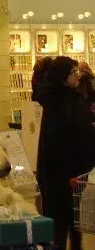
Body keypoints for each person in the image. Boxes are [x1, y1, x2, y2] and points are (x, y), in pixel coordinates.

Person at [37, 56, 95, 250]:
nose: (77, 75)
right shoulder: (56, 102)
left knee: (74, 220)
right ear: (62, 76)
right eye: (73, 72)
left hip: (74, 171)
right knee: (60, 220)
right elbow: (58, 140)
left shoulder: (72, 97)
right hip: (61, 172)